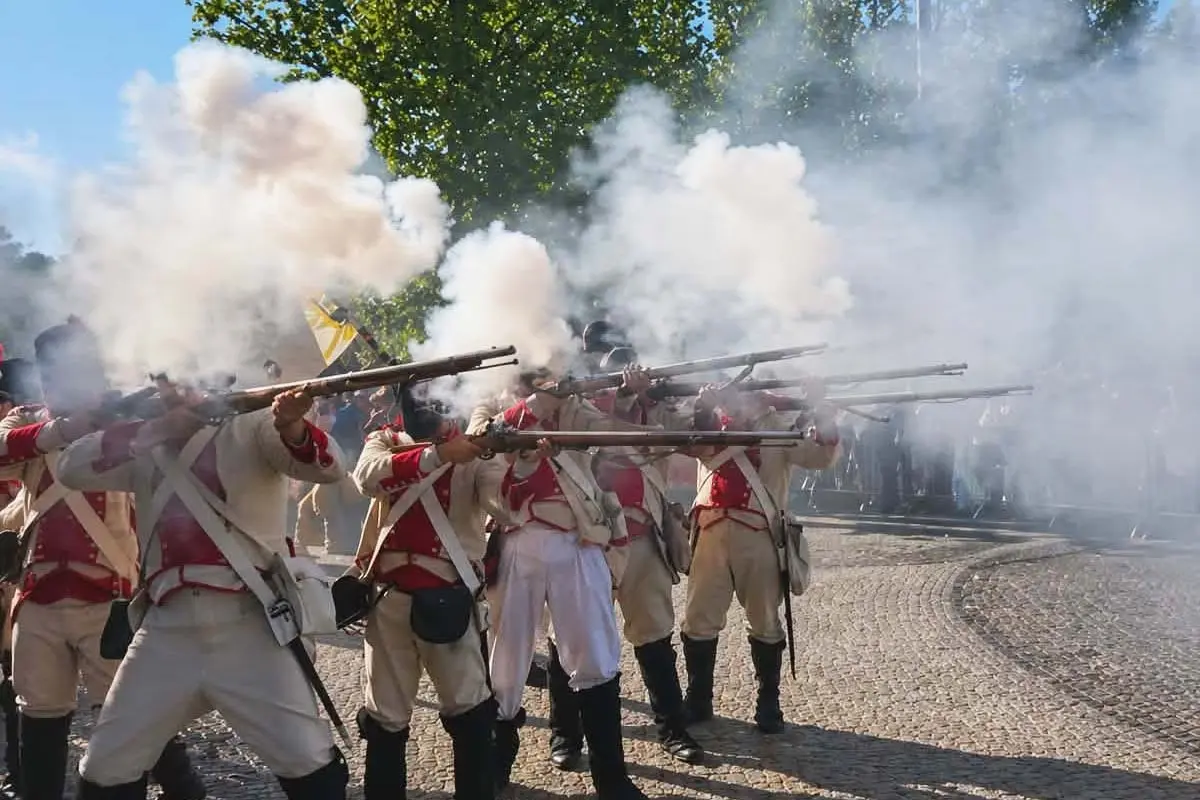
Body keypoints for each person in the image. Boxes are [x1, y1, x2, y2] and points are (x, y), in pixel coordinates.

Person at [56, 379, 349, 799]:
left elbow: (329, 467)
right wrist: (154, 430)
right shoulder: (146, 436)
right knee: (106, 768)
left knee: (311, 765)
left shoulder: (254, 424)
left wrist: (291, 426)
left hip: (251, 623)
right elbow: (71, 467)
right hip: (166, 628)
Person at [0, 319, 205, 800]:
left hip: (110, 593)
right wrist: (67, 428)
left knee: (135, 719)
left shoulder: (131, 418)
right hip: (39, 597)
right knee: (39, 719)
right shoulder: (29, 422)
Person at [487, 372, 651, 800]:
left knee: (594, 655)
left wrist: (630, 396)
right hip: (517, 543)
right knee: (506, 657)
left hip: (576, 542)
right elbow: (481, 445)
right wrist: (538, 406)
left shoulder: (579, 411)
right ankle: (494, 762)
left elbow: (617, 437)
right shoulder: (493, 407)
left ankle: (610, 779)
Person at [542, 348, 703, 769]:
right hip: (589, 540)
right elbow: (601, 436)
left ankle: (672, 727)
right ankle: (565, 735)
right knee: (569, 641)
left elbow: (697, 433)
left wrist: (713, 398)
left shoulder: (657, 410)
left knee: (654, 637)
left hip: (642, 533)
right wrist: (627, 400)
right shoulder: (577, 410)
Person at [347, 393, 504, 800]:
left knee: (470, 713)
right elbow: (367, 476)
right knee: (384, 720)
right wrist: (436, 456)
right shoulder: (386, 440)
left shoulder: (477, 449)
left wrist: (517, 459)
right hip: (388, 601)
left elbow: (501, 505)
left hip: (448, 597)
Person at [681, 381, 840, 734]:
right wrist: (703, 405)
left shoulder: (779, 429)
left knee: (765, 622)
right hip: (710, 533)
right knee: (699, 621)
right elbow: (687, 442)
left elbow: (820, 457)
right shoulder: (709, 424)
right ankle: (698, 698)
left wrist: (824, 415)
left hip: (760, 535)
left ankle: (769, 702)